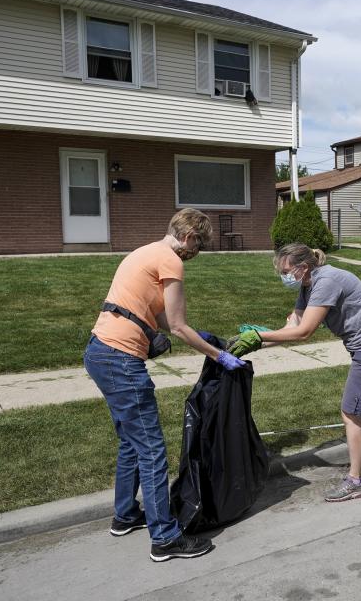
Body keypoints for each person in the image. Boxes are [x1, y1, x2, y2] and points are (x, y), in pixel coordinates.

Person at [83, 208, 245, 562]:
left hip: (99, 352)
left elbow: (154, 314)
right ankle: (165, 538)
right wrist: (219, 355)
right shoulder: (172, 260)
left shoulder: (144, 252)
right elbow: (179, 326)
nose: (196, 253)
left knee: (131, 441)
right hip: (121, 360)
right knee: (152, 449)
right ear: (188, 238)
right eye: (199, 245)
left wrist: (161, 331)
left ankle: (125, 515)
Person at [229, 243, 361, 503]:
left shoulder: (326, 281)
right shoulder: (308, 285)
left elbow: (304, 332)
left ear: (303, 267)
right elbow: (293, 324)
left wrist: (258, 335)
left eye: (286, 271)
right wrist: (257, 344)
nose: (283, 276)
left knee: (351, 411)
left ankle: (355, 481)